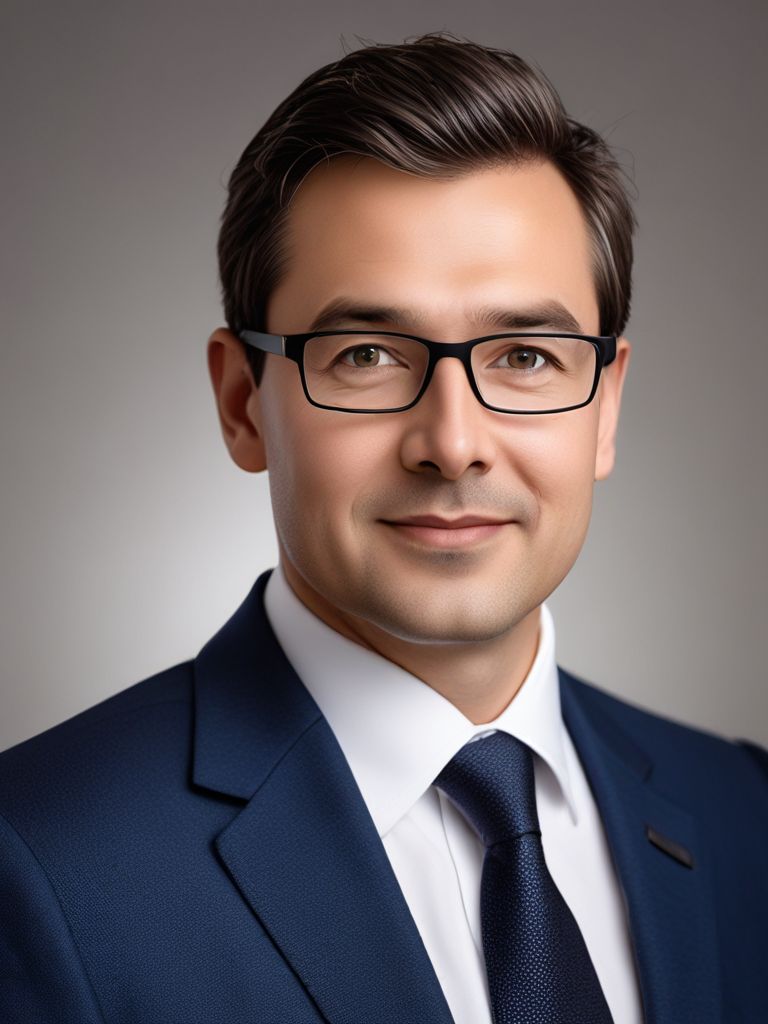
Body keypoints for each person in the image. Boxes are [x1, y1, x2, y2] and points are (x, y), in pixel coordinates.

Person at [0, 31, 766, 1024]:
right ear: (243, 404)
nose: (453, 443)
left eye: (526, 356)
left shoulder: (745, 810)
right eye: (365, 353)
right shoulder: (40, 862)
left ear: (605, 407)